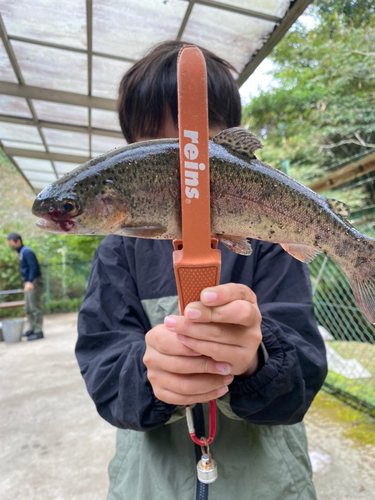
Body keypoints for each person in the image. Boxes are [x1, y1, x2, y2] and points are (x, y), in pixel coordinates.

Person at [76, 41, 327, 500]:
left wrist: (255, 362)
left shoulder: (272, 239)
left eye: (195, 140)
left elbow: (305, 375)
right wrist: (151, 375)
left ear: (230, 139)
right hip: (148, 486)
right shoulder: (117, 252)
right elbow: (102, 370)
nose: (181, 161)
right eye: (156, 142)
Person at [7, 233, 44, 341]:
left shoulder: (27, 251)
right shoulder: (21, 252)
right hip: (28, 281)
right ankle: (32, 328)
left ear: (18, 241)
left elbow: (33, 267)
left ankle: (38, 331)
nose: (11, 246)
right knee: (28, 307)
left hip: (33, 281)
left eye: (11, 243)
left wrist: (30, 281)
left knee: (34, 307)